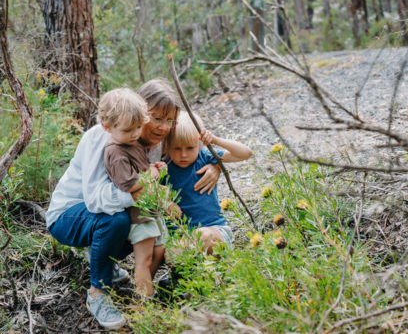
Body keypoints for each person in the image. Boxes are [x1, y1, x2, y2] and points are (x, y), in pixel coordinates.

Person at [45, 79, 222, 330]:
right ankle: (98, 293)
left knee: (148, 233)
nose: (164, 127)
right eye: (157, 119)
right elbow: (96, 201)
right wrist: (151, 194)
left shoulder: (155, 140)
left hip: (103, 214)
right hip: (69, 216)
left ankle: (103, 258)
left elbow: (195, 144)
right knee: (115, 220)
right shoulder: (103, 139)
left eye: (169, 120)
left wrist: (216, 166)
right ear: (140, 110)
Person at [99, 88, 180, 300]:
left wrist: (154, 166)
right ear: (108, 127)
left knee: (159, 251)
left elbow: (139, 169)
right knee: (143, 260)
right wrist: (153, 174)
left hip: (150, 210)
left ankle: (145, 290)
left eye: (137, 128)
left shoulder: (130, 142)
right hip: (139, 215)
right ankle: (145, 300)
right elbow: (127, 183)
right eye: (128, 130)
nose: (135, 134)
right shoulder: (115, 151)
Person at [161, 111, 252, 254]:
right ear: (166, 145)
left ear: (200, 143)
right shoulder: (163, 165)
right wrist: (165, 201)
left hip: (214, 230)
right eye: (176, 148)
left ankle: (216, 261)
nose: (183, 154)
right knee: (171, 253)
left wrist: (215, 140)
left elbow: (245, 153)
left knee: (202, 236)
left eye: (190, 148)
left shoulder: (205, 157)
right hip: (182, 236)